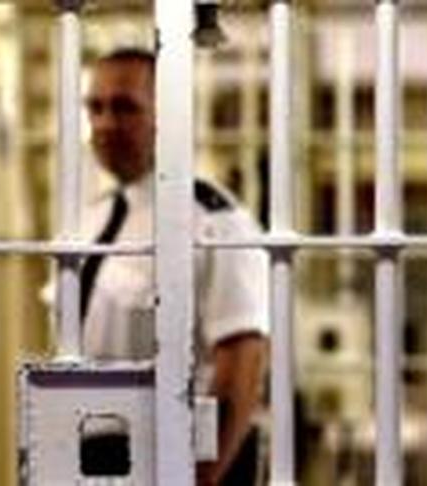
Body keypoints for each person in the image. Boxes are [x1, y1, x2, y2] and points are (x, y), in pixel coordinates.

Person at [76, 48, 270, 485]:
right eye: (96, 108)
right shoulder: (92, 220)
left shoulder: (212, 222)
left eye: (125, 107)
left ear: (169, 117)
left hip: (177, 455)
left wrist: (199, 475)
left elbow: (242, 358)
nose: (105, 123)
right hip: (97, 452)